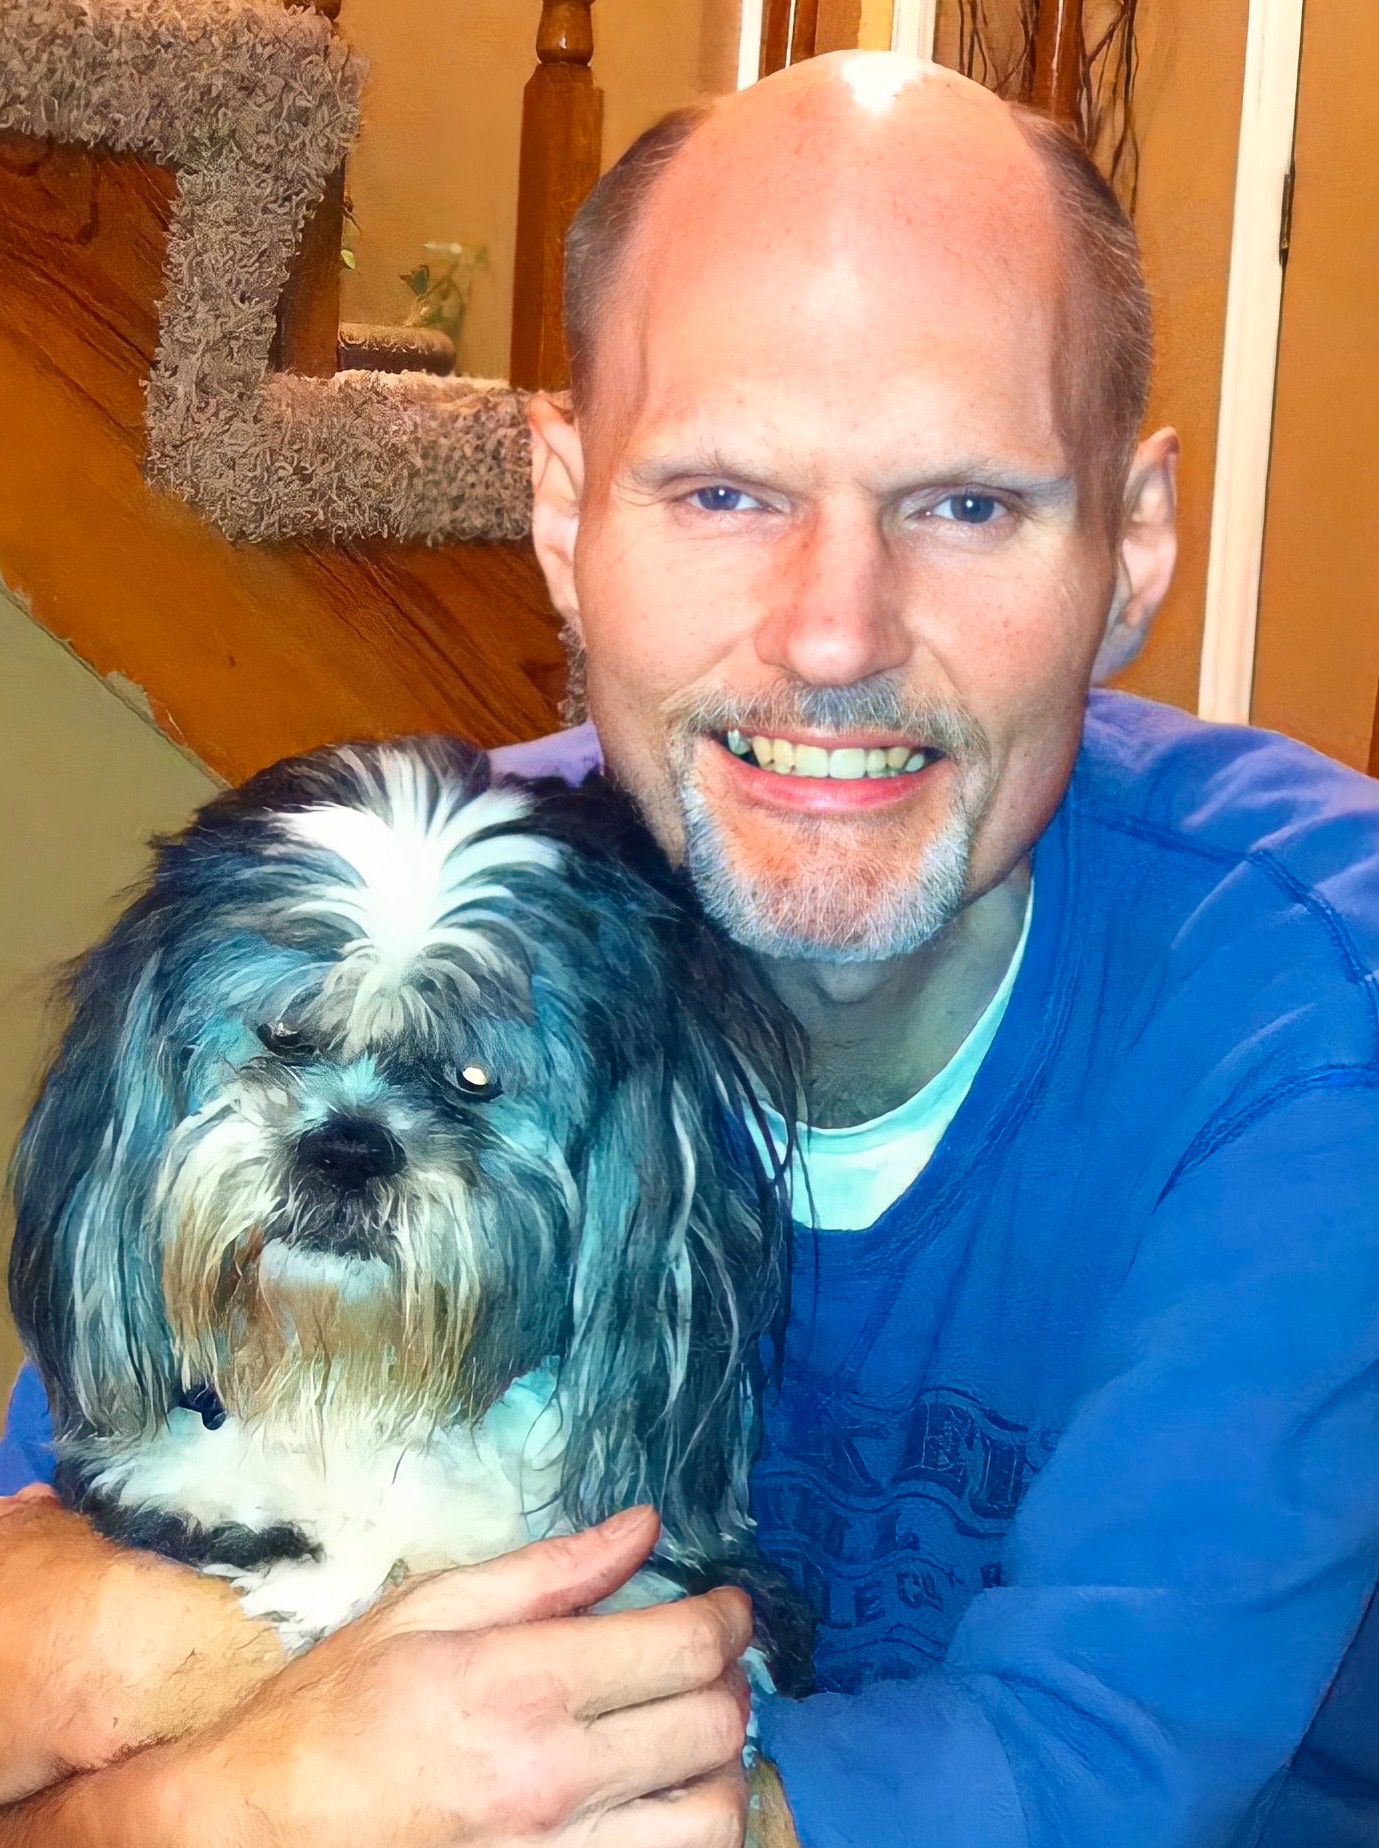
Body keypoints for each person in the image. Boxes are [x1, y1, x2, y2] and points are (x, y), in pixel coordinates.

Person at [2, 48, 1378, 1848]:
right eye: (726, 493)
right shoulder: (411, 900)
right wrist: (217, 1759)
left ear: (1130, 547)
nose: (834, 634)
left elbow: (1093, 1776)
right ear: (563, 514)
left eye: (966, 504)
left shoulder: (1313, 1016)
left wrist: (194, 1741)